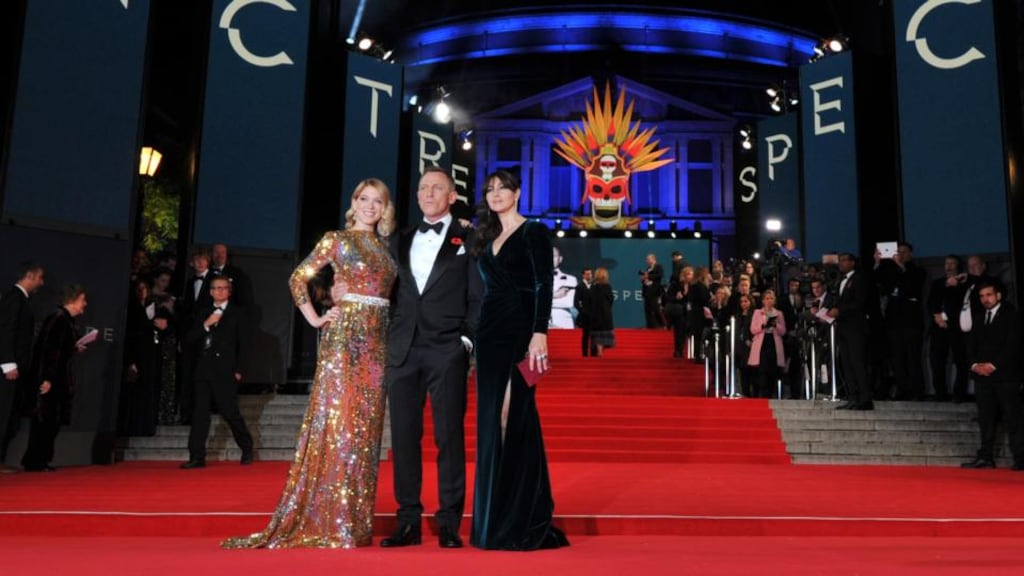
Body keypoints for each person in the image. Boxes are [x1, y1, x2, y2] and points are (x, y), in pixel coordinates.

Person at [223, 178, 397, 548]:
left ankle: (354, 521)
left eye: (377, 201)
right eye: (364, 199)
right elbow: (297, 278)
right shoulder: (337, 239)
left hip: (377, 347)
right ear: (354, 202)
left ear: (385, 208)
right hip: (344, 341)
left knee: (365, 435)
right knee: (339, 427)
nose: (370, 206)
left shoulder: (385, 247)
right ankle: (331, 521)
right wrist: (316, 318)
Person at [381, 166, 481, 550]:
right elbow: (388, 292)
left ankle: (449, 522)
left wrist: (465, 341)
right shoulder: (401, 238)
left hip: (446, 349)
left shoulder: (469, 238)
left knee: (448, 437)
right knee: (405, 438)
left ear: (451, 197)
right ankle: (407, 520)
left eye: (437, 188)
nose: (428, 193)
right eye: (423, 187)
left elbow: (478, 295)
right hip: (403, 350)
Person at [470, 169, 568, 550]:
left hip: (523, 334)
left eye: (503, 188)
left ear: (517, 193)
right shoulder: (486, 237)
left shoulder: (534, 233)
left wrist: (539, 332)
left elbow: (544, 283)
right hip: (489, 336)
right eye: (490, 189)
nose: (495, 194)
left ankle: (521, 516)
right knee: (491, 422)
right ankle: (492, 521)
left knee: (515, 416)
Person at [179, 275, 254, 469]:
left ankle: (247, 447)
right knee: (200, 414)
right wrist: (206, 324)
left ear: (229, 291)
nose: (220, 291)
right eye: (216, 288)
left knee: (230, 412)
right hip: (203, 369)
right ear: (211, 292)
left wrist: (240, 369)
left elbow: (245, 344)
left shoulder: (238, 313)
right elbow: (190, 339)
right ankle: (196, 456)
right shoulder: (203, 312)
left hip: (225, 370)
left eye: (224, 288)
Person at [21, 284, 88, 472]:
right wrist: (47, 378)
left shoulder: (65, 320)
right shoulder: (59, 319)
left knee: (51, 421)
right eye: (83, 300)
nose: (85, 304)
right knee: (44, 420)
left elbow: (58, 348)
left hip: (58, 379)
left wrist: (74, 348)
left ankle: (39, 459)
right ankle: (35, 461)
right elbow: (48, 350)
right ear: (73, 300)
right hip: (51, 380)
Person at [960, 281, 1024, 470]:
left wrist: (993, 365)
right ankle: (986, 457)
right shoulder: (979, 317)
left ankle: (1021, 458)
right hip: (982, 378)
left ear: (998, 296)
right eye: (982, 296)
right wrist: (975, 365)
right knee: (986, 418)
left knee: (1013, 418)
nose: (985, 299)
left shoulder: (1012, 315)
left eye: (989, 295)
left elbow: (1013, 345)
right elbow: (970, 345)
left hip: (1006, 377)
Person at [0, 262, 45, 471]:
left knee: (10, 415)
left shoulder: (21, 300)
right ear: (30, 276)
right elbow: (5, 331)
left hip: (18, 370)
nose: (42, 283)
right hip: (9, 370)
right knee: (3, 413)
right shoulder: (14, 298)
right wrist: (8, 363)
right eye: (40, 277)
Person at [118, 279, 164, 437]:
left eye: (144, 288)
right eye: (139, 288)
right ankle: (132, 427)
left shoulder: (152, 306)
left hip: (150, 354)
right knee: (135, 391)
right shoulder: (132, 309)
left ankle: (145, 426)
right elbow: (131, 333)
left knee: (147, 389)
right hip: (137, 354)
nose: (142, 291)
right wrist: (131, 360)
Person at [829, 253, 872, 410]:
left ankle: (865, 398)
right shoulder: (840, 280)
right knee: (846, 363)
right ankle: (853, 397)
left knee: (857, 362)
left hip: (856, 327)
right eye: (839, 261)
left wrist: (840, 311)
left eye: (844, 260)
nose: (841, 263)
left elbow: (860, 302)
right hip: (843, 327)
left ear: (852, 262)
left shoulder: (859, 279)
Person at [176, 248, 214, 425]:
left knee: (203, 375)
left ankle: (201, 413)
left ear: (208, 262)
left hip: (206, 334)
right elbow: (185, 312)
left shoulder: (214, 281)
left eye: (202, 259)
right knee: (187, 374)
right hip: (189, 335)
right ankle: (186, 413)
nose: (199, 263)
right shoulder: (189, 282)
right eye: (196, 260)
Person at [926, 255, 967, 402]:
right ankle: (940, 393)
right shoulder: (938, 283)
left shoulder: (963, 283)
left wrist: (957, 284)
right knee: (937, 362)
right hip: (939, 327)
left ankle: (959, 394)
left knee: (961, 361)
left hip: (957, 328)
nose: (948, 266)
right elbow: (931, 302)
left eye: (952, 263)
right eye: (946, 263)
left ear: (958, 266)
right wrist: (936, 315)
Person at [747, 289, 786, 398]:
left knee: (772, 370)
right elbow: (753, 329)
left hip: (773, 342)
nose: (769, 301)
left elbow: (783, 331)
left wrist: (776, 325)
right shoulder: (757, 312)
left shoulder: (779, 313)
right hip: (762, 342)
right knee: (762, 369)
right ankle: (762, 394)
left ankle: (770, 394)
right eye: (767, 298)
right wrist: (763, 325)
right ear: (763, 300)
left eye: (771, 298)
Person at [588, 267, 615, 357]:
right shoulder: (607, 287)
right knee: (604, 333)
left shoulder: (593, 287)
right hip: (605, 314)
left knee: (597, 333)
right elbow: (611, 299)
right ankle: (600, 351)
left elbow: (589, 300)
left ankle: (599, 350)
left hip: (595, 314)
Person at [664, 266, 691, 358]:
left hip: (690, 312)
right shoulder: (675, 284)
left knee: (684, 331)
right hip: (678, 311)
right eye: (688, 274)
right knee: (679, 330)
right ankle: (678, 350)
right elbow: (668, 297)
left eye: (691, 274)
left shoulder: (693, 285)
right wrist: (676, 297)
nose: (690, 276)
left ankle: (681, 349)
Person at [549, 246, 578, 329]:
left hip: (564, 322)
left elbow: (569, 302)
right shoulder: (536, 280)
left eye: (554, 256)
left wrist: (545, 299)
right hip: (542, 324)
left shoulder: (570, 279)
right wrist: (554, 295)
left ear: (560, 259)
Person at [574, 267, 597, 357]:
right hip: (584, 316)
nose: (589, 276)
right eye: (587, 274)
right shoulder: (579, 287)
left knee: (594, 335)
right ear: (583, 275)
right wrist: (582, 311)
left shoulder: (595, 286)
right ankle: (585, 354)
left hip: (594, 315)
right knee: (585, 335)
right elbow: (576, 302)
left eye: (590, 274)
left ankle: (594, 353)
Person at [640, 253, 664, 328]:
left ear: (653, 259)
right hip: (647, 291)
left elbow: (660, 275)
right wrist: (643, 279)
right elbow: (645, 278)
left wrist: (648, 276)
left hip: (654, 291)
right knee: (647, 309)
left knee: (655, 308)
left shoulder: (658, 267)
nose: (647, 261)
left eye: (648, 259)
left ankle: (661, 324)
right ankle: (649, 325)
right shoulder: (648, 268)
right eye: (647, 259)